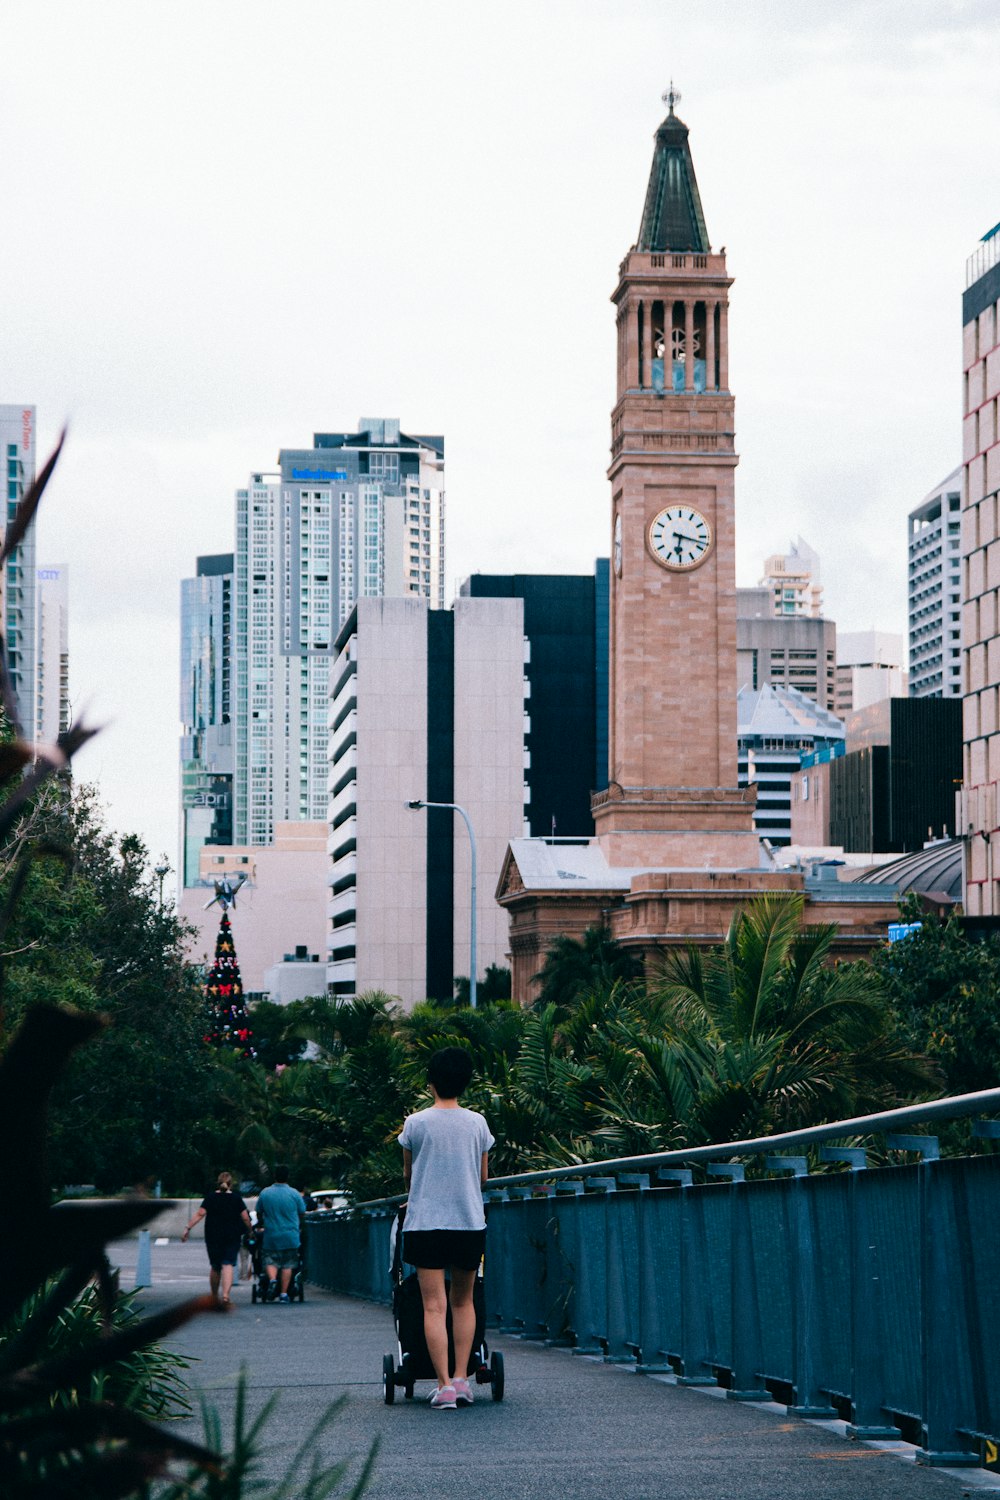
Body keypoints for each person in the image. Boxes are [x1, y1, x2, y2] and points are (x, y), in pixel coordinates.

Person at [399, 1046, 494, 1410]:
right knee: (464, 1301)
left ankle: (443, 1388)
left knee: (434, 1306)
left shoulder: (416, 1123)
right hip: (468, 1221)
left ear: (430, 1080)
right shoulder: (477, 1123)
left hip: (425, 1222)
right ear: (466, 1082)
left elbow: (409, 1175)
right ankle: (461, 1379)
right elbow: (483, 1176)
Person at [181, 1171, 252, 1305]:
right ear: (231, 1184)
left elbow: (200, 1213)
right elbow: (245, 1218)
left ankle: (214, 1296)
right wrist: (250, 1230)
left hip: (213, 1236)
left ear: (218, 1183)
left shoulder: (211, 1197)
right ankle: (225, 1296)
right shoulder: (237, 1199)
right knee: (228, 1264)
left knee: (215, 1266)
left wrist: (187, 1228)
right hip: (232, 1236)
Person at [256, 1164, 306, 1302]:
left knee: (270, 1259)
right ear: (288, 1177)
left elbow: (259, 1212)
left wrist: (262, 1224)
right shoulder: (294, 1193)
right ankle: (284, 1294)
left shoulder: (265, 1193)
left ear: (274, 1176)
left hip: (271, 1234)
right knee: (287, 1264)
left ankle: (272, 1280)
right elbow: (302, 1213)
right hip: (290, 1235)